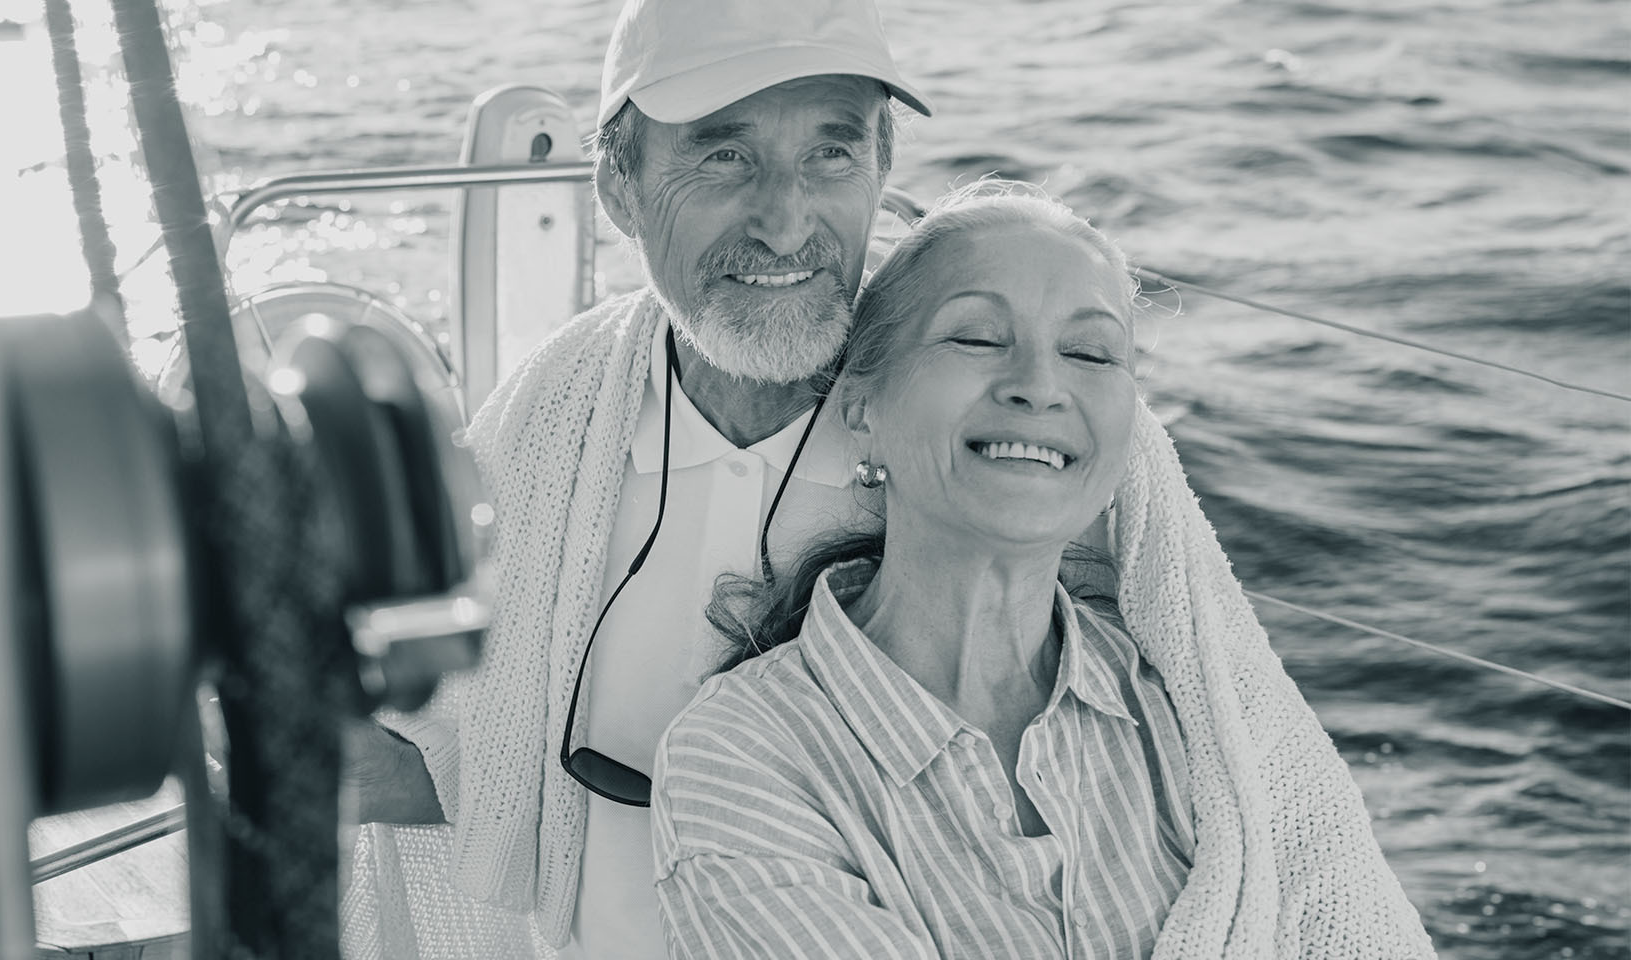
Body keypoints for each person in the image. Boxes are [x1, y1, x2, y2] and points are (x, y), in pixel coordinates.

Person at [650, 182, 1437, 959]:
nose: (1039, 385)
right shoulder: (742, 756)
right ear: (862, 405)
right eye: (979, 338)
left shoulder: (1196, 717)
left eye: (1090, 352)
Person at [338, 0, 934, 957]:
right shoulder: (554, 413)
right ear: (618, 184)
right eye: (723, 155)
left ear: (883, 167)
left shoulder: (976, 413)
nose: (785, 225)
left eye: (832, 151)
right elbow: (460, 763)